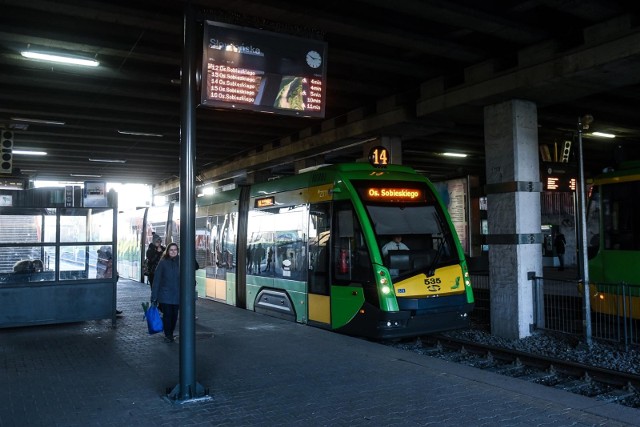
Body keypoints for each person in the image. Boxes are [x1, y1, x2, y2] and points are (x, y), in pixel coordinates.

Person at [151, 243, 180, 343]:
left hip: (177, 295)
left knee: (174, 315)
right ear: (167, 251)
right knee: (167, 315)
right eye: (171, 250)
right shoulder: (163, 263)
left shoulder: (181, 262)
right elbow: (157, 280)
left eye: (175, 250)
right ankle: (168, 334)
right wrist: (154, 296)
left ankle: (170, 332)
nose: (173, 252)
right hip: (165, 295)